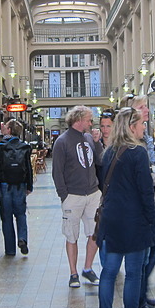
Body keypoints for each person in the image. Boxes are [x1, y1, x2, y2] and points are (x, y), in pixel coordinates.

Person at [95, 107, 155, 308]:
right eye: (141, 123)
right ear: (132, 127)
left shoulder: (109, 152)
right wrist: (153, 221)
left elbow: (104, 184)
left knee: (109, 272)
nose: (143, 127)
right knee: (133, 274)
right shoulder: (137, 153)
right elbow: (145, 192)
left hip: (112, 219)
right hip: (134, 221)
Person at [126, 95, 155, 308]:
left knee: (153, 250)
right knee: (147, 253)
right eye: (141, 107)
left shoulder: (145, 138)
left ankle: (143, 295)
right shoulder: (133, 144)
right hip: (141, 204)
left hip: (149, 200)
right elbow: (142, 175)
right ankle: (138, 301)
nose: (146, 110)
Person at [51, 105, 104, 288]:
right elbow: (57, 171)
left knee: (95, 232)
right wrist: (63, 196)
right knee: (71, 235)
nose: (91, 123)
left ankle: (87, 268)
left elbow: (100, 160)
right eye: (89, 120)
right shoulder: (62, 142)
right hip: (72, 195)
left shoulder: (89, 138)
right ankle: (73, 273)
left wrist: (97, 142)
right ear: (79, 119)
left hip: (92, 193)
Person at [0, 119, 33, 256]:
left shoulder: (1, 146)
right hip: (20, 184)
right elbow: (28, 168)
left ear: (9, 130)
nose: (3, 129)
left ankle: (10, 249)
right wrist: (29, 185)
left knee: (6, 216)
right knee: (21, 214)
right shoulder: (24, 147)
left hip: (4, 184)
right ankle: (22, 238)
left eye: (5, 127)